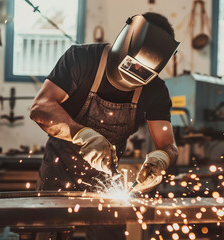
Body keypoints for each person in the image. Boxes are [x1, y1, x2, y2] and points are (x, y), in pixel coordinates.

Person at [30, 12, 179, 240]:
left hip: (107, 180)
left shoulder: (155, 90)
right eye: (133, 65)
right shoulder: (81, 59)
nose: (136, 74)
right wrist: (83, 135)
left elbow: (168, 145)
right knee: (49, 233)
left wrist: (162, 160)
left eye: (145, 73)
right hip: (59, 170)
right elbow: (40, 107)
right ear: (124, 44)